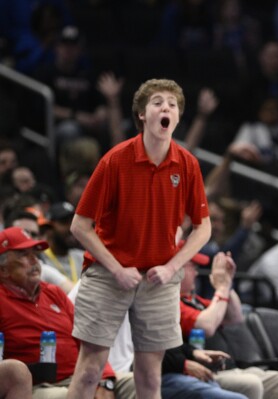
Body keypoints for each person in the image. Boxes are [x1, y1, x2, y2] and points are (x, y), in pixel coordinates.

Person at [66, 78, 212, 399]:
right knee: (90, 368)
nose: (166, 108)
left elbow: (203, 229)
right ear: (142, 114)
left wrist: (173, 267)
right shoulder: (115, 160)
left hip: (158, 278)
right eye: (157, 102)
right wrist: (116, 268)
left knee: (150, 376)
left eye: (172, 105)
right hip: (109, 274)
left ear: (178, 117)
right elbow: (80, 225)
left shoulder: (187, 164)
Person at [0, 226, 135, 399]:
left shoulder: (54, 293)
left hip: (80, 376)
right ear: (3, 269)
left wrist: (105, 378)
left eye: (35, 254)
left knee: (138, 382)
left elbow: (88, 340)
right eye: (24, 255)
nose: (34, 261)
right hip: (38, 385)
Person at [177, 250, 278, 399]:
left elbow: (235, 317)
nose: (196, 272)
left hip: (228, 368)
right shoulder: (174, 304)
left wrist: (227, 283)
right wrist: (221, 288)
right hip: (202, 372)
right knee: (250, 383)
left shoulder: (195, 301)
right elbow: (206, 326)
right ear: (177, 269)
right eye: (192, 266)